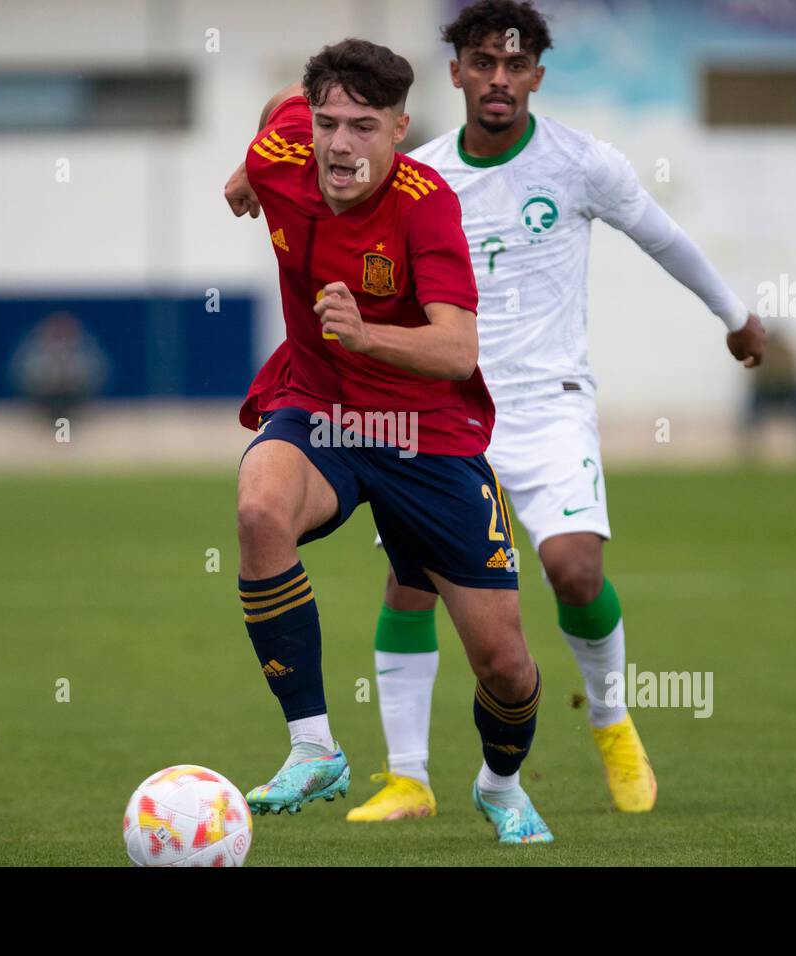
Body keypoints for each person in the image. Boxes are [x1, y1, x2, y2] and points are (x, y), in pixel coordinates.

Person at [240, 0, 767, 824]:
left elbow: (660, 236)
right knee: (381, 572)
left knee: (564, 582)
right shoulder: (398, 159)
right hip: (374, 413)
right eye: (481, 62)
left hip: (520, 405)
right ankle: (392, 772)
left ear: (535, 77)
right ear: (455, 72)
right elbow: (287, 114)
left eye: (514, 65)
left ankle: (602, 721)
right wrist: (248, 168)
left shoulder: (548, 170)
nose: (497, 78)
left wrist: (734, 314)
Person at [223, 38, 553, 843]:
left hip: (424, 433)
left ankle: (500, 785)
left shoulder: (425, 202)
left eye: (364, 127)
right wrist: (242, 175)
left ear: (400, 128)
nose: (340, 144)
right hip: (321, 408)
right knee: (262, 509)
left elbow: (457, 351)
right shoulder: (284, 150)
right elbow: (277, 114)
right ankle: (314, 747)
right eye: (329, 124)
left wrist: (367, 336)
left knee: (505, 668)